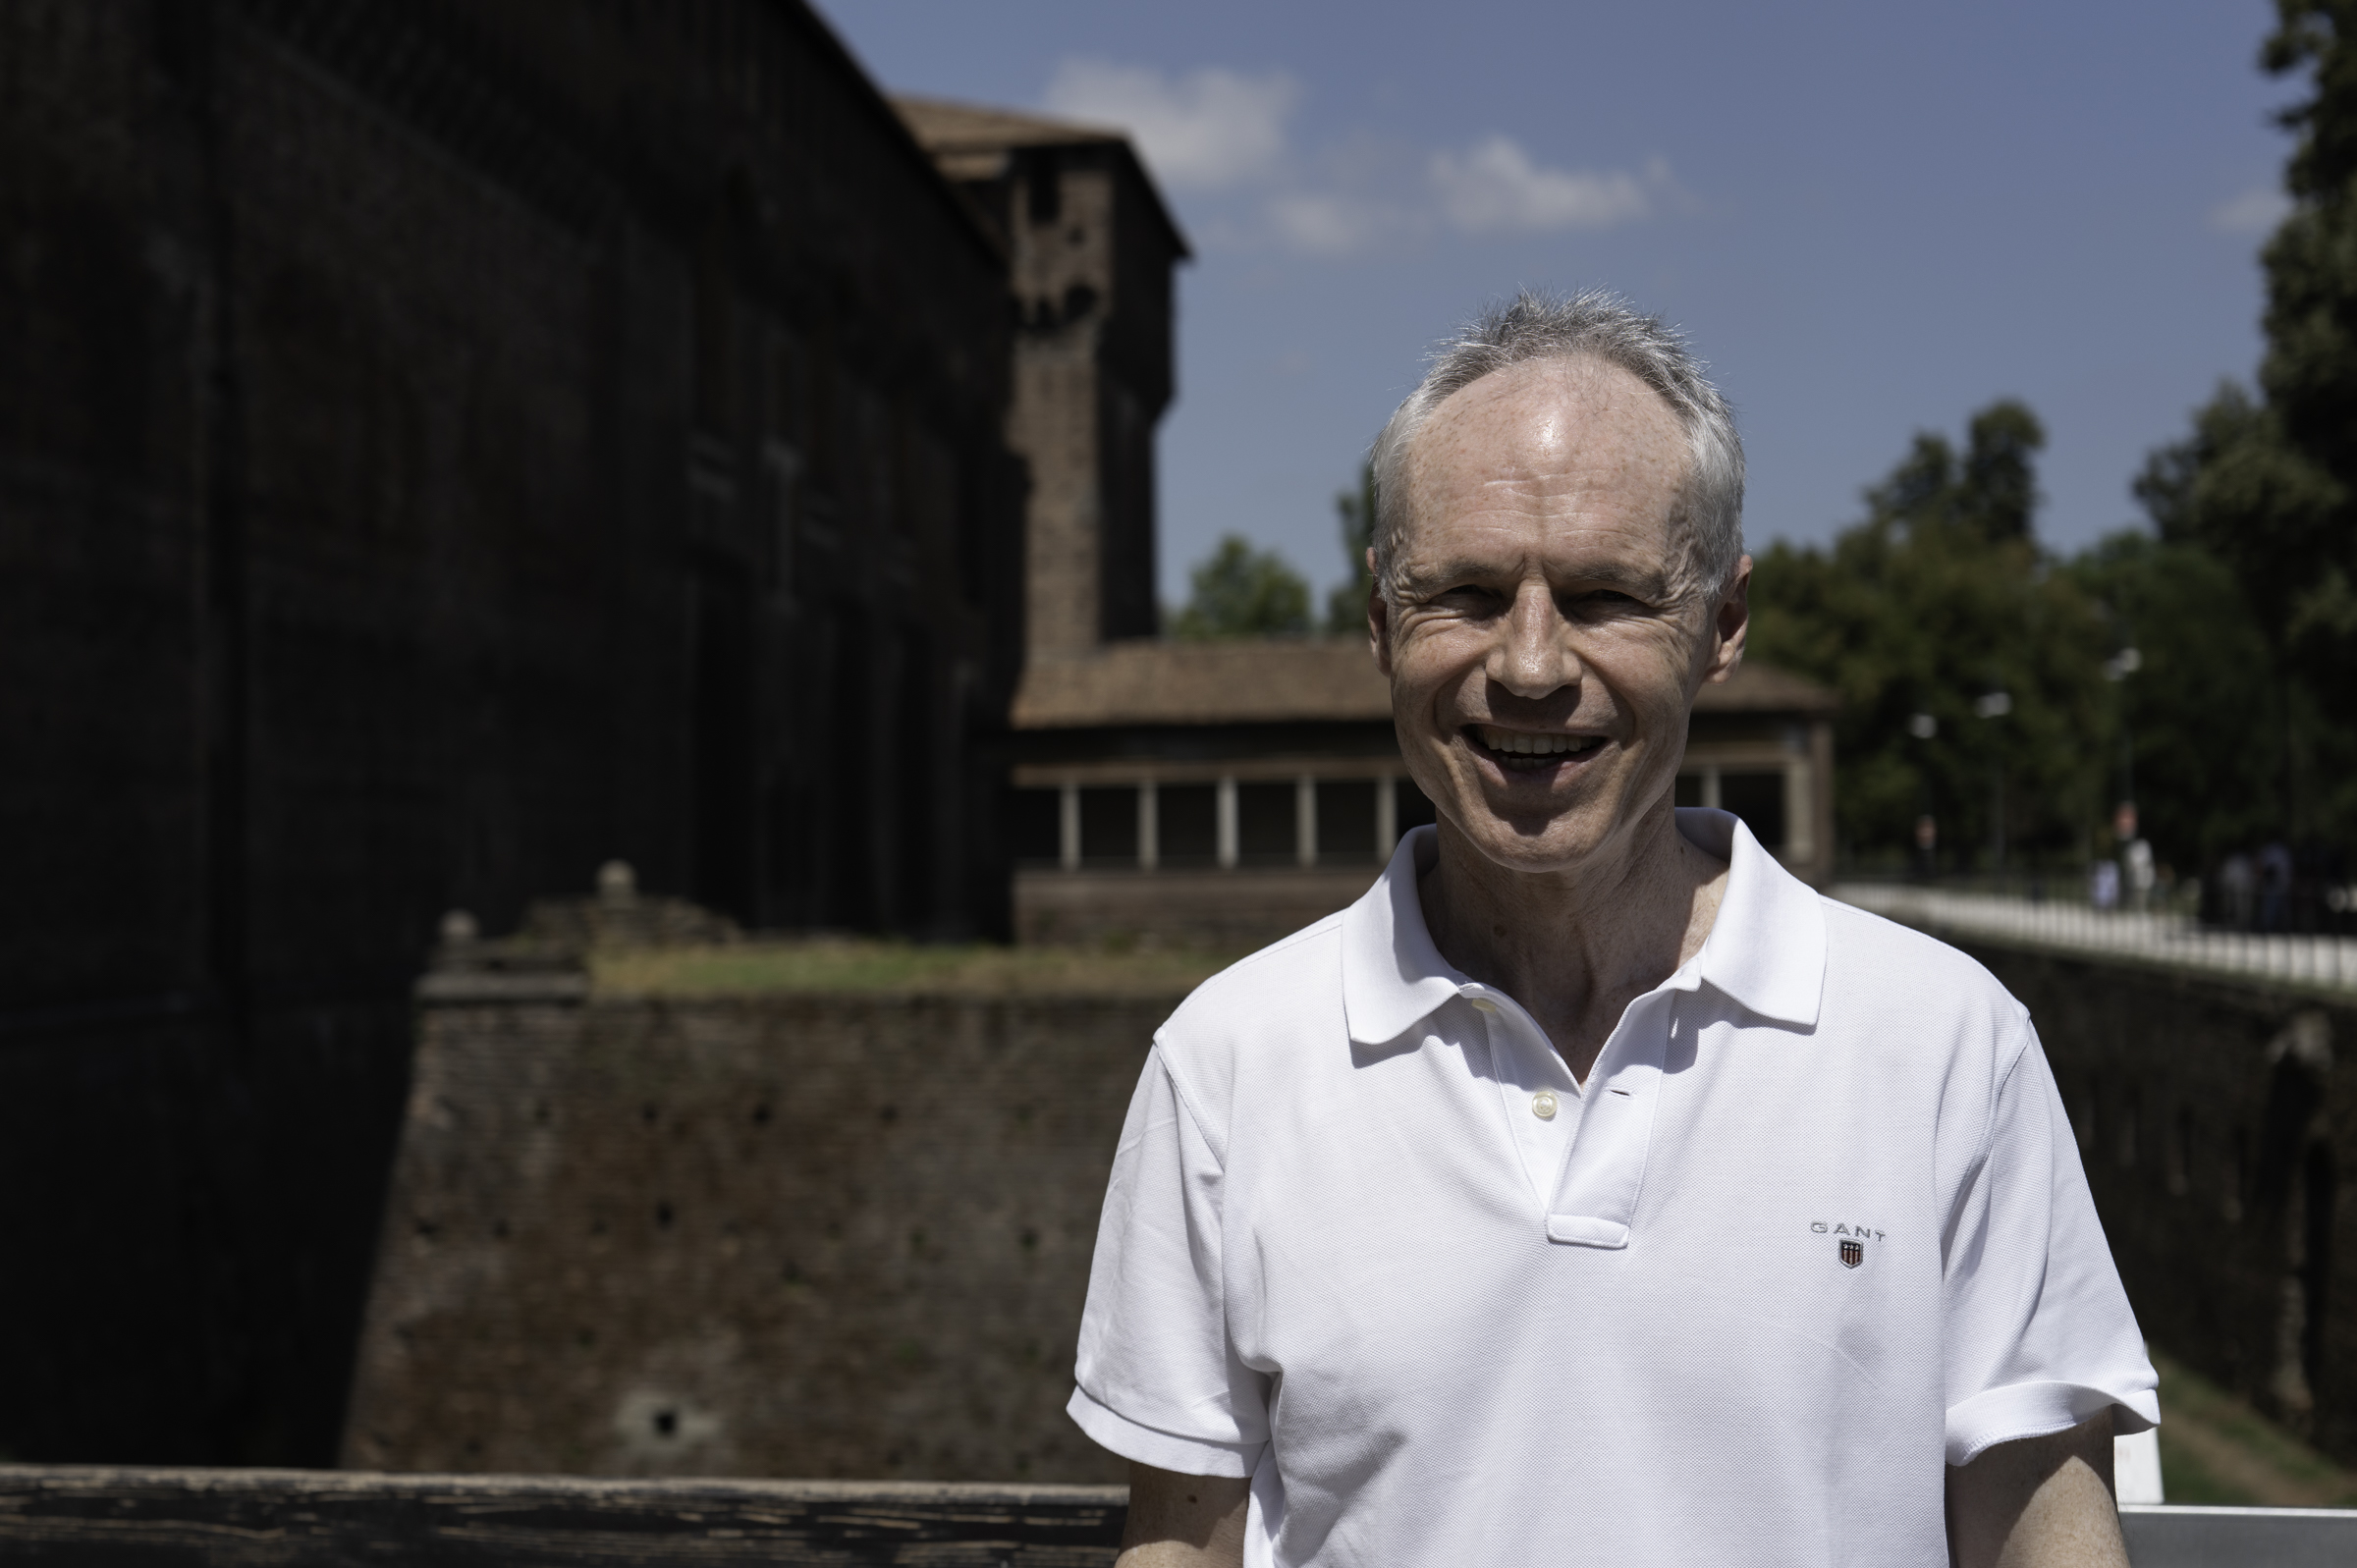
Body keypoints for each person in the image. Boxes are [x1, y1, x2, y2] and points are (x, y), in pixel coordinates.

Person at [1069, 292, 2156, 1567]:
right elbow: (1178, 1547)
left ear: (1724, 625)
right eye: (1468, 592)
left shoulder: (1945, 1048)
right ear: (1379, 621)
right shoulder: (1227, 1068)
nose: (1530, 663)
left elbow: (2049, 1540)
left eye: (1602, 597)